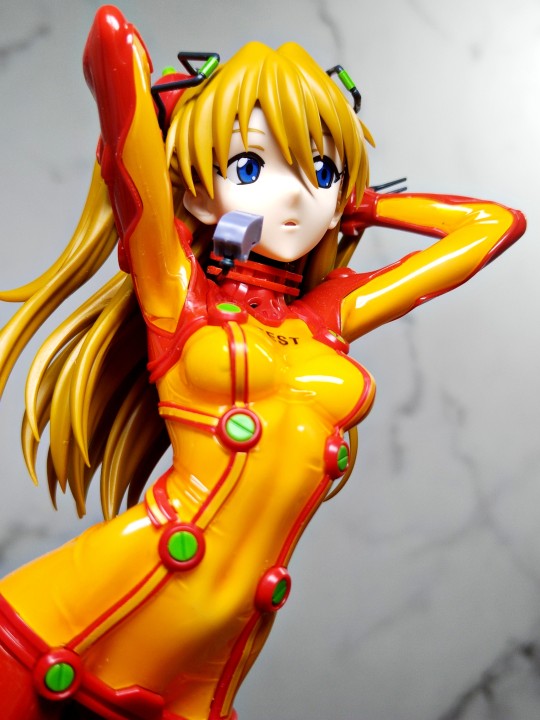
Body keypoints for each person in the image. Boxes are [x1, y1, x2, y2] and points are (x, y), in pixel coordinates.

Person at [0, 6, 526, 720]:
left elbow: (491, 225)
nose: (293, 191)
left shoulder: (329, 316)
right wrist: (176, 110)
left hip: (210, 662)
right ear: (193, 189)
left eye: (319, 168)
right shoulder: (177, 292)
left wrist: (361, 202)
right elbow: (113, 52)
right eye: (251, 165)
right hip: (83, 612)